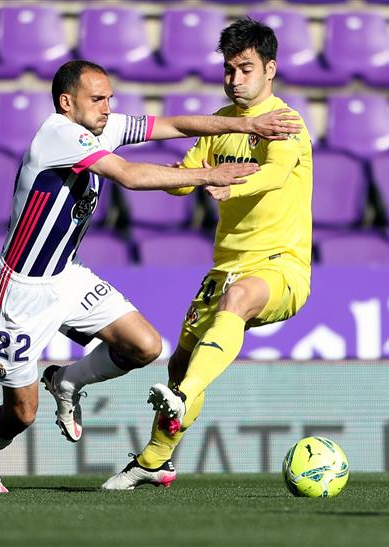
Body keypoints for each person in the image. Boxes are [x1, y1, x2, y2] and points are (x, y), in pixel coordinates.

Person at [0, 59, 301, 493]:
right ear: (68, 102)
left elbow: (175, 125)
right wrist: (208, 175)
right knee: (21, 413)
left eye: (110, 99)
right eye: (97, 99)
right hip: (20, 289)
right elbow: (130, 175)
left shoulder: (99, 126)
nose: (107, 107)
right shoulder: (58, 136)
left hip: (66, 277)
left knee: (145, 345)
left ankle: (66, 380)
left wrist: (251, 124)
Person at [102, 18, 313, 490]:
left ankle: (186, 397)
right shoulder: (221, 123)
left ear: (270, 69)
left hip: (281, 265)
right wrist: (182, 177)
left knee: (235, 304)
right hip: (225, 267)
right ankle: (155, 461)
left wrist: (231, 182)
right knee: (179, 366)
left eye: (245, 69)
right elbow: (189, 177)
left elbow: (276, 175)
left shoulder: (285, 123)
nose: (235, 80)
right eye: (229, 70)